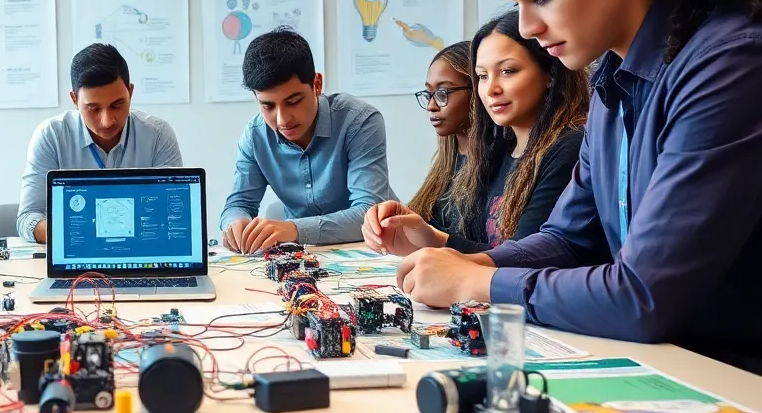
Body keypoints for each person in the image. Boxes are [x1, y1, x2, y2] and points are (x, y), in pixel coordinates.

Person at [397, 0, 762, 383]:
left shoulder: (736, 60)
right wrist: (470, 264)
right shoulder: (613, 77)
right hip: (675, 363)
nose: (528, 26)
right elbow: (570, 239)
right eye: (516, 3)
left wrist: (476, 284)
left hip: (755, 386)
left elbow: (643, 296)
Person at [363, 14, 587, 255]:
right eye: (482, 76)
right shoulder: (501, 151)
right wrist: (415, 235)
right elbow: (488, 249)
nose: (491, 89)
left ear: (550, 74)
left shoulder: (568, 148)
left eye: (508, 71)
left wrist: (436, 240)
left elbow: (524, 260)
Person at [221, 29, 395, 253]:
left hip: (368, 251)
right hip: (303, 256)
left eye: (293, 101)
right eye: (268, 106)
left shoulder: (360, 121)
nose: (282, 120)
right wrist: (235, 226)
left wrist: (293, 229)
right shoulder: (255, 135)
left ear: (317, 84)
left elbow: (369, 212)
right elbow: (238, 205)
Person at [16, 43, 183, 242]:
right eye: (93, 109)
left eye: (117, 105)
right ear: (74, 99)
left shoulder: (158, 135)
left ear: (130, 92)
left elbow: (173, 214)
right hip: (77, 251)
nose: (107, 121)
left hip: (140, 250)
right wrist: (81, 230)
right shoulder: (51, 136)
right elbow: (28, 219)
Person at [407, 41, 474, 231]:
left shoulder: (498, 165)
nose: (431, 106)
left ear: (477, 91)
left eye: (443, 92)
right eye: (429, 94)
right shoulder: (445, 163)